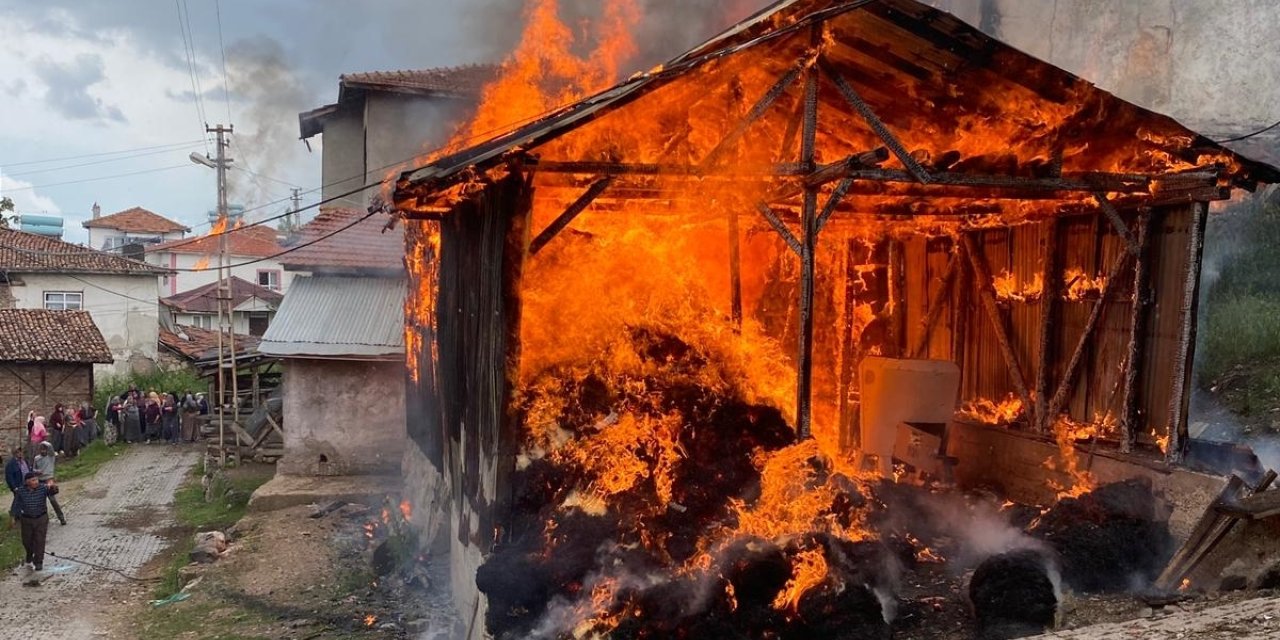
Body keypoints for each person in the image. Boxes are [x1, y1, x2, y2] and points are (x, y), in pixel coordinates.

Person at [11, 471, 58, 571]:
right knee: (27, 541)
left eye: (36, 479)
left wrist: (52, 486)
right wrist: (13, 517)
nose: (36, 482)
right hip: (26, 519)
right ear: (27, 482)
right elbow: (16, 504)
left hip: (41, 518)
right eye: (33, 480)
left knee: (39, 540)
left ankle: (38, 561)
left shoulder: (43, 488)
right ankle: (29, 553)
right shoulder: (20, 491)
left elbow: (53, 492)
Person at [33, 443, 66, 526]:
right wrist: (37, 471)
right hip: (40, 480)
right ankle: (44, 519)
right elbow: (33, 469)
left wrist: (43, 442)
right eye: (41, 449)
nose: (42, 451)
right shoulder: (37, 458)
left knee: (52, 500)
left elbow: (51, 447)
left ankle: (61, 517)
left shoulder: (51, 457)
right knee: (41, 501)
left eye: (44, 449)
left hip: (49, 479)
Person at [5, 447, 30, 527]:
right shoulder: (11, 464)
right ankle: (13, 517)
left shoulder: (24, 461)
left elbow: (28, 470)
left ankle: (21, 517)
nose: (20, 454)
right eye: (18, 452)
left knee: (24, 501)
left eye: (21, 452)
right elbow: (9, 477)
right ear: (15, 453)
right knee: (17, 501)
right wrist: (14, 487)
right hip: (18, 486)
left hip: (27, 484)